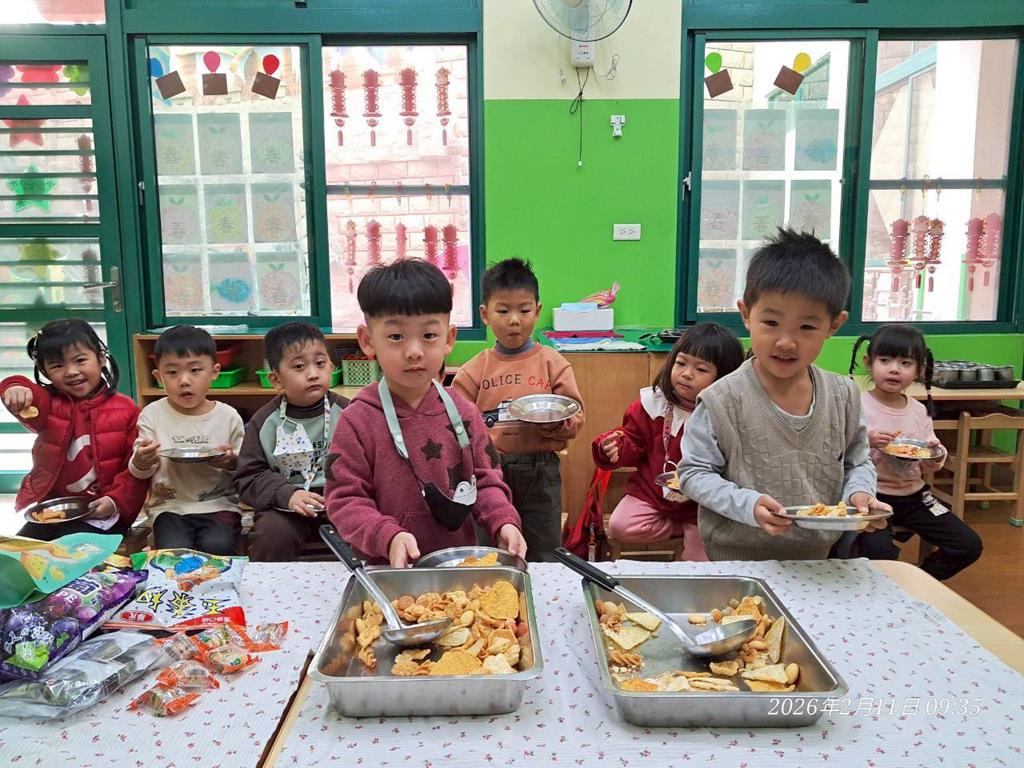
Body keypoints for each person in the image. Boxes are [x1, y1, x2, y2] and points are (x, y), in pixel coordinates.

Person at [678, 229, 889, 560]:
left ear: (834, 325)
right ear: (746, 314)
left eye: (806, 327)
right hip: (736, 559)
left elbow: (857, 462)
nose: (786, 342)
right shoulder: (722, 399)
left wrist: (859, 493)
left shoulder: (844, 396)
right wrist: (748, 505)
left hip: (817, 558)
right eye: (771, 323)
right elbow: (694, 473)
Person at [326, 259, 526, 566]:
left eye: (429, 335)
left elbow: (486, 482)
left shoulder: (464, 413)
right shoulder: (357, 421)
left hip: (455, 570)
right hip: (386, 571)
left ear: (449, 339)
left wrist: (504, 521)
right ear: (367, 341)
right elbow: (344, 500)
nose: (414, 351)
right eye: (396, 337)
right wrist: (387, 535)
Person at [452, 258, 584, 561]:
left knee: (546, 551)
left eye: (524, 310)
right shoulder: (474, 369)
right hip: (490, 473)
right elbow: (457, 425)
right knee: (489, 550)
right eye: (503, 311)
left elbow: (575, 416)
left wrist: (554, 423)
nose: (514, 320)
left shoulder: (553, 362)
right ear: (485, 314)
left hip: (541, 471)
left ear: (537, 311)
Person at [593, 323, 743, 558]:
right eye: (681, 363)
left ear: (724, 376)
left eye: (701, 369)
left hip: (701, 505)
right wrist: (614, 447)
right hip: (653, 492)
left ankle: (691, 532)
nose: (686, 374)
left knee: (701, 564)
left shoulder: (726, 416)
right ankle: (678, 529)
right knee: (621, 526)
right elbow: (632, 439)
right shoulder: (654, 404)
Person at [849, 324, 982, 579]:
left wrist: (936, 454)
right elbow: (839, 450)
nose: (894, 369)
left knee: (968, 545)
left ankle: (921, 580)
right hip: (872, 495)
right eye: (885, 360)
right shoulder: (857, 404)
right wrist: (867, 440)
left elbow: (931, 453)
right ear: (868, 362)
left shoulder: (919, 411)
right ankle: (889, 583)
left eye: (905, 363)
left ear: (919, 370)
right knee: (879, 552)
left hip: (915, 496)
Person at [0, 319, 148, 540]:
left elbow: (135, 470)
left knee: (71, 552)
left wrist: (115, 500)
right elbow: (30, 394)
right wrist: (15, 386)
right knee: (19, 551)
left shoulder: (128, 410)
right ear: (45, 372)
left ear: (101, 359)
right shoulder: (48, 405)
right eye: (57, 366)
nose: (71, 372)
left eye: (80, 360)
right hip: (55, 510)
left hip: (104, 513)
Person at [235, 322, 348, 560]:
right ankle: (274, 585)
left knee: (361, 527)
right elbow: (249, 476)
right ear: (276, 380)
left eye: (320, 363)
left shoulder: (350, 413)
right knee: (270, 535)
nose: (313, 373)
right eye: (299, 366)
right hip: (285, 506)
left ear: (331, 366)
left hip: (341, 500)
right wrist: (286, 494)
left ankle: (360, 583)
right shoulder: (264, 422)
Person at [129, 326, 244, 554]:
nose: (184, 380)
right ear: (158, 377)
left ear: (214, 372)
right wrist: (142, 460)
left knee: (217, 546)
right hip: (169, 507)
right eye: (172, 372)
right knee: (174, 551)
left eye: (195, 370)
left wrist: (231, 461)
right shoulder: (152, 415)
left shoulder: (228, 416)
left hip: (219, 503)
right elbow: (140, 472)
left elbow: (245, 468)